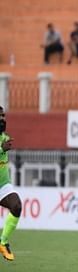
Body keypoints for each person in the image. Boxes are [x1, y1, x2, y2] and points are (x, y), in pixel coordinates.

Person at [0, 106, 23, 261]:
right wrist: (1, 149)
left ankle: (3, 242)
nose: (3, 119)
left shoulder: (4, 137)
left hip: (2, 185)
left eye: (4, 116)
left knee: (17, 205)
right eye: (0, 116)